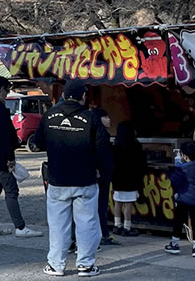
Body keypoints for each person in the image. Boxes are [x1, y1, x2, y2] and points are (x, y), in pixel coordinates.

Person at [33, 78, 111, 278]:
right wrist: (103, 171)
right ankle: (85, 265)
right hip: (85, 180)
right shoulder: (91, 118)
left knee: (58, 225)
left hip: (57, 179)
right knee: (87, 224)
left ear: (65, 95)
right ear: (82, 97)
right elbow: (103, 149)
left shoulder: (49, 116)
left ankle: (56, 265)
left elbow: (37, 142)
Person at [0, 76, 43, 239]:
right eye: (7, 90)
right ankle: (20, 227)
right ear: (0, 89)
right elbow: (3, 136)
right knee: (11, 190)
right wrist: (10, 158)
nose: (8, 93)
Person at [111, 121, 146, 237]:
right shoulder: (136, 146)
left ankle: (117, 225)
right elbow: (141, 163)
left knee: (118, 202)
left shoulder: (115, 146)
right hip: (131, 178)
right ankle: (127, 227)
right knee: (128, 204)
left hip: (118, 178)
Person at [91, 108, 118, 246]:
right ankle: (104, 234)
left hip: (101, 174)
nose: (109, 119)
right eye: (105, 117)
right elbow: (100, 154)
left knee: (99, 206)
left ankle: (103, 233)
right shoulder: (101, 135)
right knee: (101, 206)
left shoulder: (96, 133)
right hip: (102, 175)